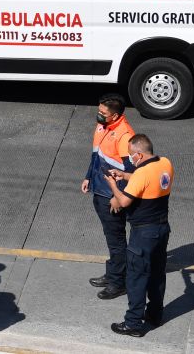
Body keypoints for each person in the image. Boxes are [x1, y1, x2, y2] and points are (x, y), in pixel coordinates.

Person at [104, 134, 174, 338]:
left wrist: (113, 184)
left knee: (136, 277)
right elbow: (145, 182)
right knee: (157, 273)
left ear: (139, 154)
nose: (130, 159)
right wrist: (124, 175)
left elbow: (124, 202)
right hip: (162, 229)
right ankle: (155, 315)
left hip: (143, 233)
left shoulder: (142, 172)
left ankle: (133, 323)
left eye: (131, 155)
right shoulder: (165, 163)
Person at [82, 94, 136, 300]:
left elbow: (130, 172)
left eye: (103, 113)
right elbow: (96, 155)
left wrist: (118, 196)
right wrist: (88, 177)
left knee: (116, 240)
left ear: (114, 115)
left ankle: (118, 282)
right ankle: (113, 272)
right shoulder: (103, 127)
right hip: (99, 187)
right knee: (111, 237)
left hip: (110, 194)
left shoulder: (124, 136)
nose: (99, 115)